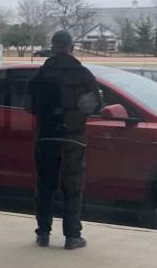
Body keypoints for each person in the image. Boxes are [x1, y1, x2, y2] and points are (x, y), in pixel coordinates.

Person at [29, 31, 102, 250]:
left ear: (53, 48)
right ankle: (72, 236)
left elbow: (29, 105)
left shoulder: (40, 74)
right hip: (73, 138)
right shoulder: (83, 74)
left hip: (46, 135)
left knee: (45, 185)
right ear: (71, 47)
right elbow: (94, 106)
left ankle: (43, 233)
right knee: (73, 186)